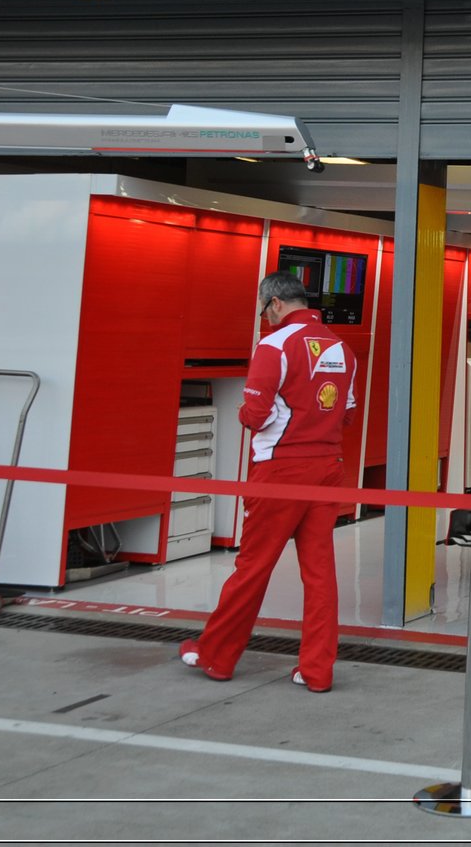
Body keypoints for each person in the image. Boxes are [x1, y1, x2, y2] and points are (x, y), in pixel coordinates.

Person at [179, 272, 357, 692]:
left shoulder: (274, 345)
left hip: (280, 471)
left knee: (252, 568)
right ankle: (317, 672)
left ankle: (216, 657)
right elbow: (346, 412)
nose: (265, 318)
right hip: (329, 467)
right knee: (320, 574)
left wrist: (245, 413)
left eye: (264, 310)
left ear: (275, 303)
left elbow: (255, 414)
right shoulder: (342, 348)